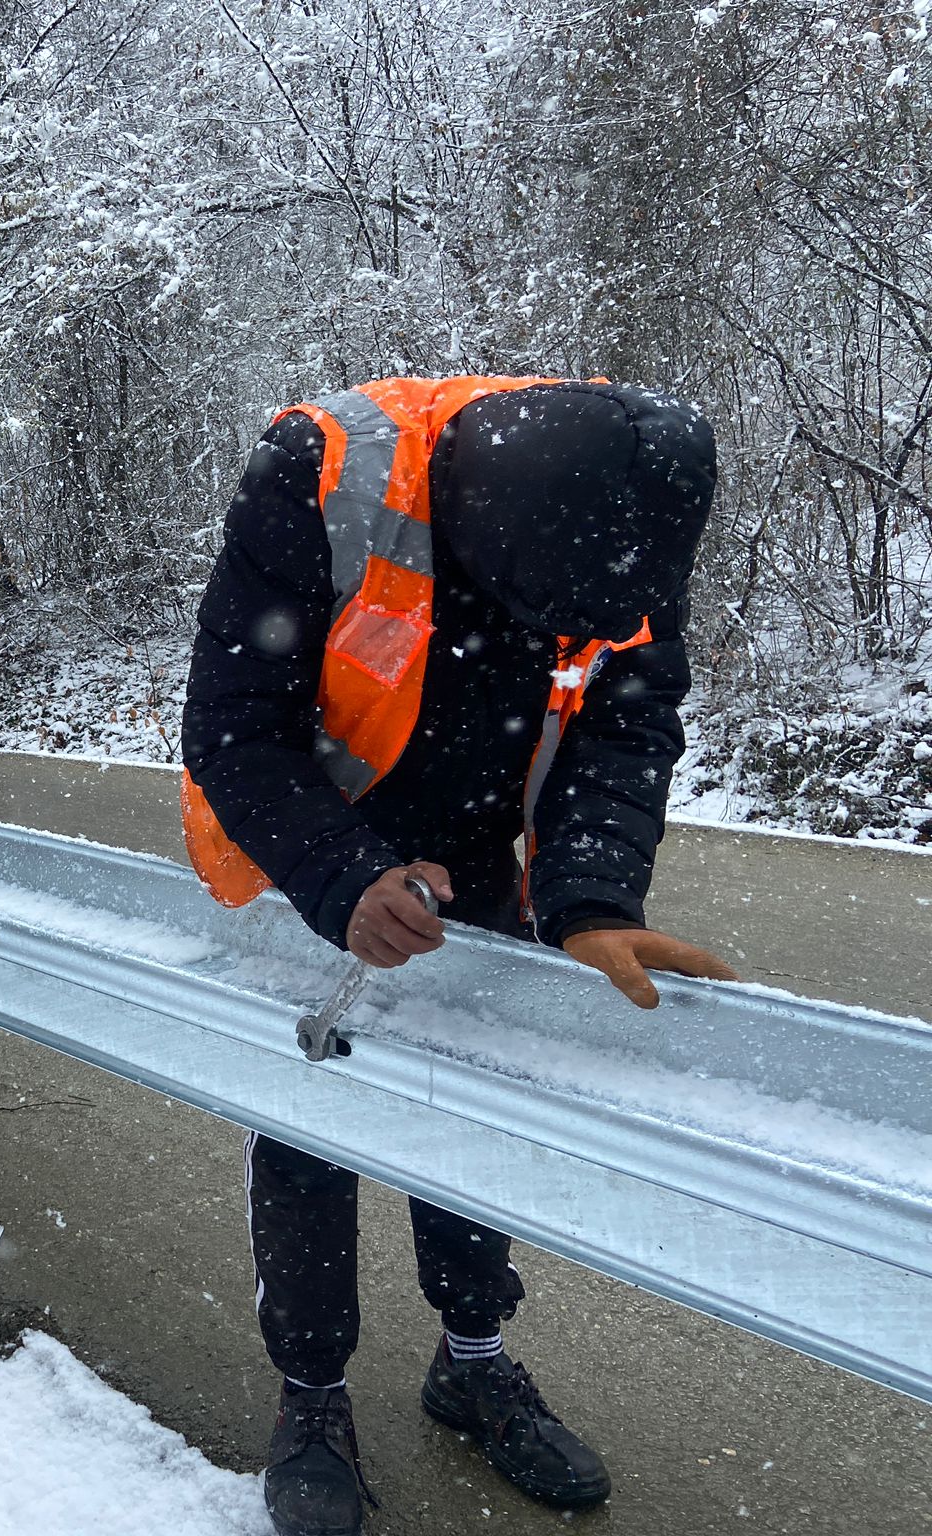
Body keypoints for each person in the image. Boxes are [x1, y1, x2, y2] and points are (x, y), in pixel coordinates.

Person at [180, 376, 739, 1536]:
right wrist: (340, 879)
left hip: (476, 841)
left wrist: (588, 896)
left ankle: (470, 1361)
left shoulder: (632, 504)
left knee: (463, 1108)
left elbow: (627, 716)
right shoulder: (322, 471)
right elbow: (232, 724)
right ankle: (311, 1397)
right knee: (309, 1117)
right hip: (315, 839)